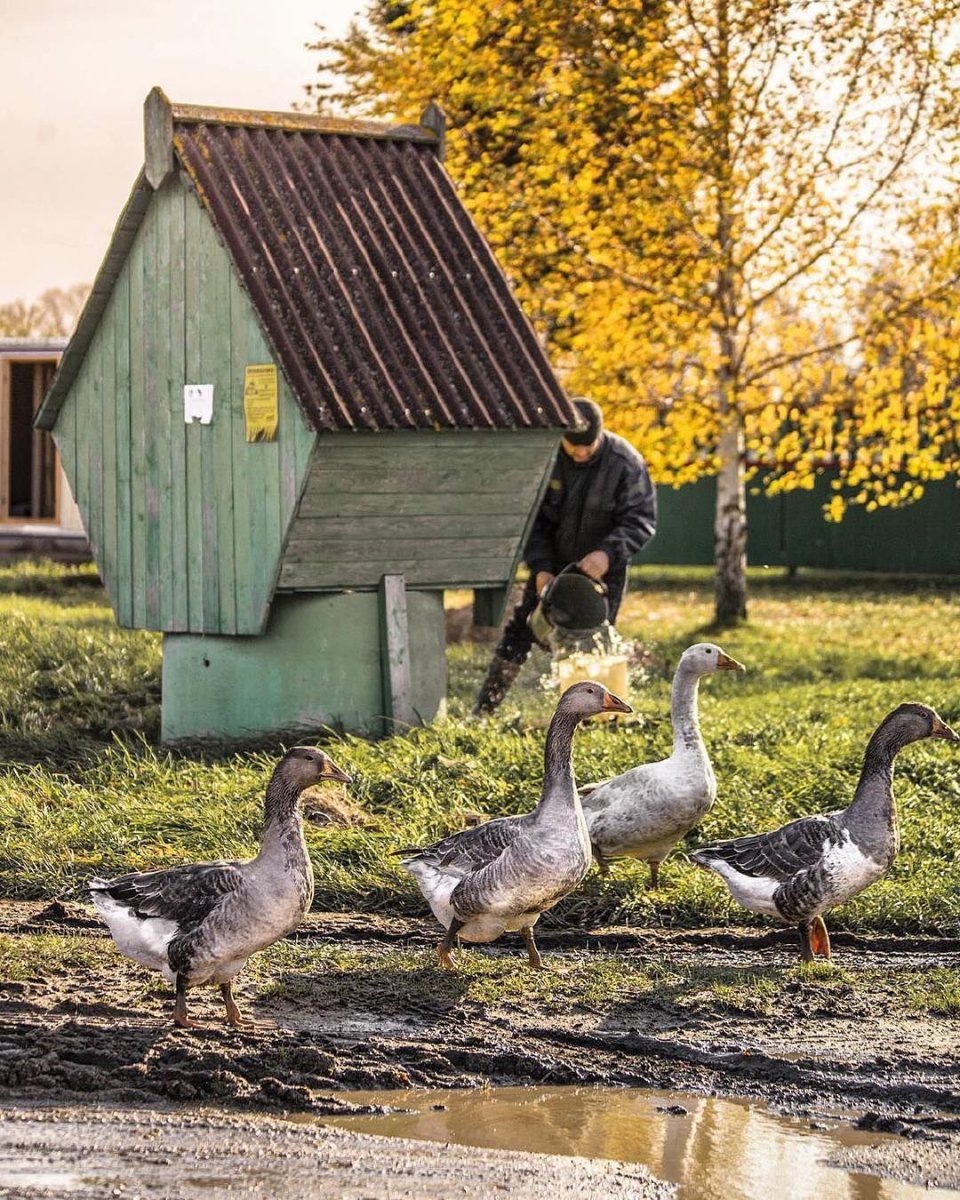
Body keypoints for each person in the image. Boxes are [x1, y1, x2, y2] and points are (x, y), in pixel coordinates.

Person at [473, 397, 657, 715]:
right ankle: (485, 709)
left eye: (588, 447)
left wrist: (609, 553)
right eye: (573, 446)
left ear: (600, 435)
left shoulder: (624, 462)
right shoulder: (547, 458)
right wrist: (541, 567)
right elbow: (533, 519)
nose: (580, 453)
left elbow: (641, 518)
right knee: (523, 628)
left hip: (602, 568)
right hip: (553, 561)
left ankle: (589, 717)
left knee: (594, 639)